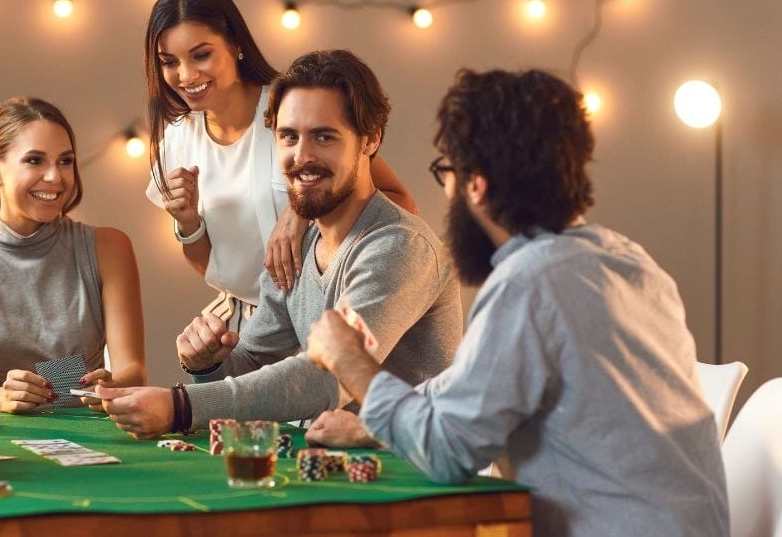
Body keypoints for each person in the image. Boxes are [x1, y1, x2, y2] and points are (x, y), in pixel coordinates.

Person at [306, 69, 729, 536]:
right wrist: (379, 421)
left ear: (476, 185)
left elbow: (449, 454)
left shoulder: (529, 282)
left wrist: (351, 362)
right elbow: (479, 388)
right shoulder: (631, 263)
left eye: (448, 172)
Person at [101, 50, 461, 439]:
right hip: (325, 461)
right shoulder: (297, 245)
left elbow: (327, 378)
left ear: (370, 140)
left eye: (324, 136)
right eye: (289, 136)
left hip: (411, 467)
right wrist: (207, 363)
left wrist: (181, 406)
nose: (301, 156)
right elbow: (251, 361)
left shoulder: (400, 246)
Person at [144, 0, 418, 331]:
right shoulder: (177, 143)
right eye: (169, 62)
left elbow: (401, 206)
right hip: (247, 326)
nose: (185, 76)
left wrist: (302, 211)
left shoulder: (294, 110)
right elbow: (215, 269)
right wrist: (187, 223)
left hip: (330, 316)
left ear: (235, 45)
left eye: (201, 55)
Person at [0, 97, 145, 413]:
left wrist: (110, 386)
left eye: (65, 161)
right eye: (35, 160)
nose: (55, 176)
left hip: (92, 428)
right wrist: (1, 397)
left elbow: (134, 371)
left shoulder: (109, 247)